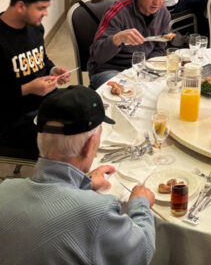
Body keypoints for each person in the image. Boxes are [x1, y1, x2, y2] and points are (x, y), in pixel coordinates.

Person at [0, 85, 156, 264]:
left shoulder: (5, 190)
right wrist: (140, 204)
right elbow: (141, 252)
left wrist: (83, 183)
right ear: (89, 145)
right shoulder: (97, 211)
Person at [0, 0, 70, 155]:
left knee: (86, 107)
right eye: (41, 8)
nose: (46, 14)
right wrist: (28, 89)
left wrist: (53, 70)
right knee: (70, 136)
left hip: (45, 102)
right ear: (20, 6)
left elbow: (41, 59)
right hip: (13, 117)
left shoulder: (35, 27)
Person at [88, 0, 171, 88]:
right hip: (109, 69)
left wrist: (148, 67)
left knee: (166, 87)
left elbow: (159, 48)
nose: (157, 2)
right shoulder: (118, 12)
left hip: (141, 69)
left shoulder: (163, 14)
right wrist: (117, 39)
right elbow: (97, 55)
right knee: (128, 91)